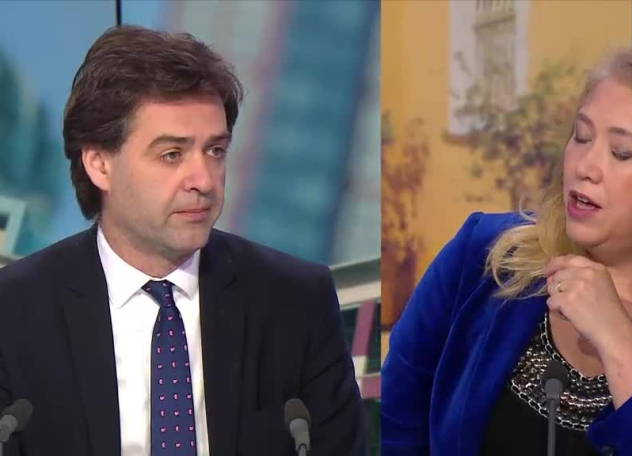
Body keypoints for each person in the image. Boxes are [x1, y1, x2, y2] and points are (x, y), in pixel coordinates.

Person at [0, 25, 366, 456]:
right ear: (100, 164)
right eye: (172, 154)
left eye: (215, 151)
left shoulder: (295, 302)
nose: (203, 181)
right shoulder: (14, 311)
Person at [381, 46, 632, 456]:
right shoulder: (486, 256)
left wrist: (618, 340)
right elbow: (396, 427)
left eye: (621, 153)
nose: (585, 166)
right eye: (581, 137)